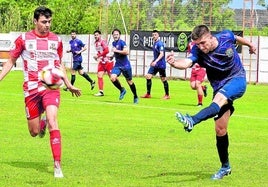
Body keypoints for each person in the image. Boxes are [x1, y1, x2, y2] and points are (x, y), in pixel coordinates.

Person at [0, 6, 81, 178]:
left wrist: (68, 84)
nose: (47, 25)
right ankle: (41, 123)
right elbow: (10, 61)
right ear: (35, 21)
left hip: (50, 88)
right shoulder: (23, 39)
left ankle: (57, 164)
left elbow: (60, 65)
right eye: (44, 22)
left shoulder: (57, 41)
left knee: (54, 120)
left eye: (49, 21)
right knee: (34, 132)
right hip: (31, 89)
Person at [166, 24, 256, 180]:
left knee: (219, 99)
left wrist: (250, 44)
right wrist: (174, 63)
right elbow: (187, 62)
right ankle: (225, 167)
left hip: (237, 79)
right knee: (220, 129)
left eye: (203, 43)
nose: (200, 47)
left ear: (210, 37)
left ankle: (192, 120)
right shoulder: (198, 51)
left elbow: (236, 38)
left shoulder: (225, 37)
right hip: (219, 86)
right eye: (197, 44)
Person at [110, 28, 138, 104]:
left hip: (125, 65)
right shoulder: (113, 43)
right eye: (114, 34)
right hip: (118, 65)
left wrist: (116, 51)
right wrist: (112, 56)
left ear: (119, 35)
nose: (115, 36)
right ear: (112, 35)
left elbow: (126, 52)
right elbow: (116, 52)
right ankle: (122, 89)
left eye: (117, 34)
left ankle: (135, 96)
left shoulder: (122, 42)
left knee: (129, 81)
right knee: (112, 78)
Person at [141, 30, 170, 100]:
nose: (154, 36)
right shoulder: (155, 43)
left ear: (158, 35)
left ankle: (167, 95)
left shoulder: (160, 44)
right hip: (155, 64)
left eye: (155, 35)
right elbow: (156, 55)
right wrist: (153, 61)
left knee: (163, 79)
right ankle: (148, 94)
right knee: (148, 76)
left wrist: (156, 61)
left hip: (161, 65)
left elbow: (162, 54)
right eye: (153, 35)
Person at [93, 30, 114, 96]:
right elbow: (100, 51)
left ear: (100, 35)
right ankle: (101, 92)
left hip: (107, 61)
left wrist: (98, 56)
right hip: (102, 62)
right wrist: (97, 56)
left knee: (112, 78)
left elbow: (107, 50)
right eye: (95, 35)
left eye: (97, 35)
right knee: (99, 75)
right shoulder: (95, 43)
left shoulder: (102, 42)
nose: (96, 36)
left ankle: (122, 88)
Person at [187, 41, 208, 106]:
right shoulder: (190, 44)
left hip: (201, 68)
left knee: (197, 84)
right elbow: (190, 54)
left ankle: (200, 103)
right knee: (193, 86)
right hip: (194, 68)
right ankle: (203, 88)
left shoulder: (202, 43)